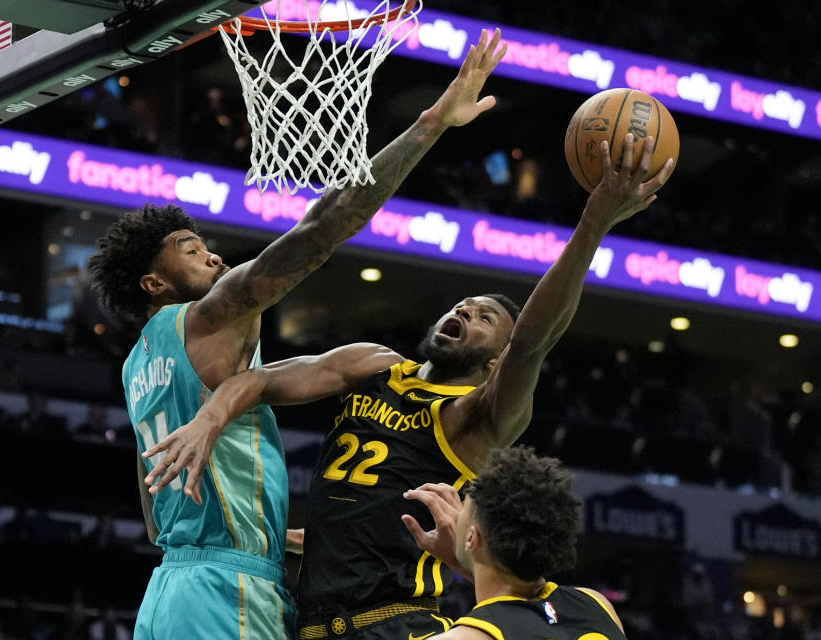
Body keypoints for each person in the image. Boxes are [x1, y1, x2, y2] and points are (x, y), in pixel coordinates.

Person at [142, 135, 673, 638]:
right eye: (464, 305)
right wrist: (209, 419)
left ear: (494, 363)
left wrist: (594, 223)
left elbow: (533, 340)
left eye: (485, 317)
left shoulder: (476, 417)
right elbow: (257, 380)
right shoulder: (374, 364)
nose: (465, 309)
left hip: (396, 621)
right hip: (307, 620)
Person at [86, 29, 510, 640]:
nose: (211, 256)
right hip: (229, 592)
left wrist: (275, 535)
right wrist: (431, 123)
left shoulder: (136, 366)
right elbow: (321, 230)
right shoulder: (210, 317)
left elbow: (158, 518)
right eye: (190, 249)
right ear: (154, 283)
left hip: (170, 590)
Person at [401, 446, 627, 640]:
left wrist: (473, 557)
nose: (456, 516)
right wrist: (470, 559)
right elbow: (527, 609)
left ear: (473, 537)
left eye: (464, 510)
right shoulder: (597, 605)